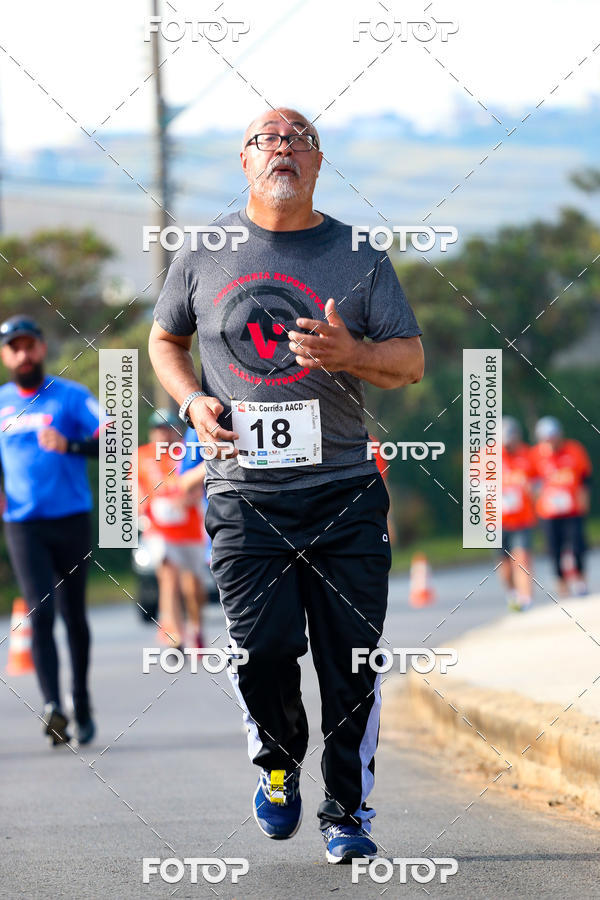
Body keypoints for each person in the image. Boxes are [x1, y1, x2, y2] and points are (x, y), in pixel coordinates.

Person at [148, 107, 424, 864]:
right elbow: (165, 336)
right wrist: (191, 399)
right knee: (262, 649)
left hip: (343, 491)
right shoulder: (204, 251)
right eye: (268, 139)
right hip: (243, 493)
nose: (284, 150)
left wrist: (351, 351)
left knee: (349, 660)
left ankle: (346, 811)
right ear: (244, 161)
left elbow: (408, 364)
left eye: (300, 140)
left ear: (319, 163)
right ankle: (275, 764)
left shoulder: (358, 253)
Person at [0, 315, 101, 746]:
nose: (23, 353)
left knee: (74, 616)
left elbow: (113, 438)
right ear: (5, 355)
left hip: (72, 519)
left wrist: (71, 444)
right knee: (40, 614)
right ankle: (53, 706)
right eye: (14, 347)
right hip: (23, 525)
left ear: (42, 348)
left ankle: (80, 700)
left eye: (29, 345)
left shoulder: (71, 397)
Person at [137, 409, 208, 648]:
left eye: (167, 429)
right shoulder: (142, 456)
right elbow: (134, 487)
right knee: (168, 578)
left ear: (176, 431)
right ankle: (175, 634)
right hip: (159, 530)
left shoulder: (186, 453)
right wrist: (144, 504)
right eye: (158, 429)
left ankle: (196, 628)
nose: (163, 434)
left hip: (189, 529)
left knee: (193, 586)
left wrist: (185, 500)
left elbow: (201, 484)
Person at [530, 416, 592, 597]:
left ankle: (580, 580)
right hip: (549, 512)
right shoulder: (536, 455)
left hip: (572, 509)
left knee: (577, 546)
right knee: (554, 549)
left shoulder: (574, 450)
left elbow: (585, 478)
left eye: (553, 437)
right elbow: (531, 483)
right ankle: (561, 583)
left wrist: (584, 501)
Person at [498, 417, 537, 611]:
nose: (509, 446)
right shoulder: (486, 457)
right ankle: (512, 594)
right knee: (505, 566)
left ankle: (526, 599)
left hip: (522, 519)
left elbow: (538, 480)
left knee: (521, 559)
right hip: (497, 521)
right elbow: (473, 485)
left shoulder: (527, 454)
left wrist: (532, 487)